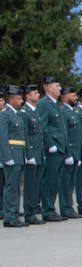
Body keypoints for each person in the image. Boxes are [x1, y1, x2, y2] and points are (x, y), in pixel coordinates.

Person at [36, 77, 68, 221]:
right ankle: (47, 210)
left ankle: (51, 209)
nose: (59, 88)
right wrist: (50, 144)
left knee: (55, 180)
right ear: (48, 87)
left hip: (60, 147)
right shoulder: (44, 104)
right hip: (52, 149)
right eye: (57, 85)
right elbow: (42, 125)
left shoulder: (55, 104)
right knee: (49, 180)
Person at [1, 85, 25, 228]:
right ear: (11, 99)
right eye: (18, 98)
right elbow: (2, 137)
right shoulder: (4, 115)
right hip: (12, 155)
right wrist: (7, 157)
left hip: (18, 155)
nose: (21, 101)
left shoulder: (15, 114)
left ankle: (14, 214)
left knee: (16, 186)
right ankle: (9, 216)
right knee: (11, 186)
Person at [20, 85, 44, 225]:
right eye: (35, 93)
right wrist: (29, 155)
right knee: (30, 186)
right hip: (31, 155)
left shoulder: (34, 112)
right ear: (28, 96)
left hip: (38, 154)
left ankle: (33, 210)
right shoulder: (24, 113)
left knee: (36, 185)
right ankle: (29, 213)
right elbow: (25, 136)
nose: (38, 95)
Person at [58, 87, 82, 219]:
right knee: (65, 182)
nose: (75, 98)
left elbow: (78, 135)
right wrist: (67, 153)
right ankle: (65, 207)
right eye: (72, 95)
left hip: (75, 152)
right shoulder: (63, 112)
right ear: (64, 97)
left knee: (70, 182)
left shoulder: (73, 112)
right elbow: (65, 135)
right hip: (68, 153)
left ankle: (69, 206)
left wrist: (80, 152)